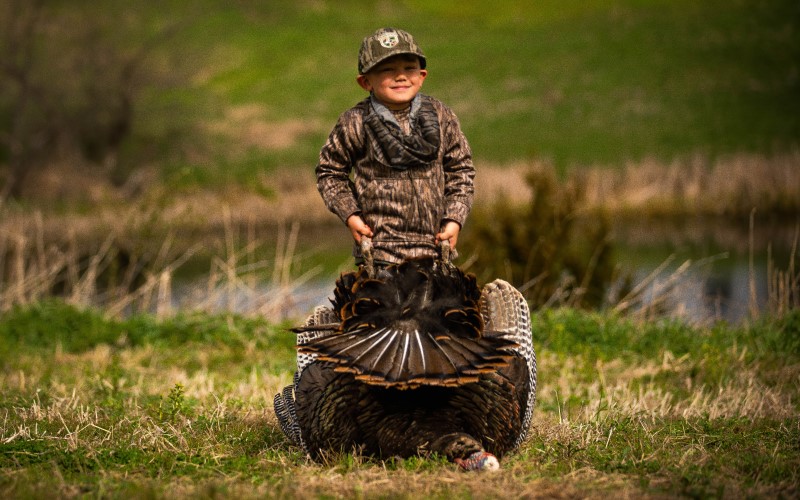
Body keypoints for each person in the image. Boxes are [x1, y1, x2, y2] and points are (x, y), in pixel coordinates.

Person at [316, 27, 475, 266]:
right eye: (387, 70)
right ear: (365, 82)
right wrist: (351, 215)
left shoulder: (443, 117)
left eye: (409, 68)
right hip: (379, 253)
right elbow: (329, 173)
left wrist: (455, 218)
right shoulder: (354, 122)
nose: (400, 76)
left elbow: (461, 170)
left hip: (436, 250)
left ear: (422, 76)